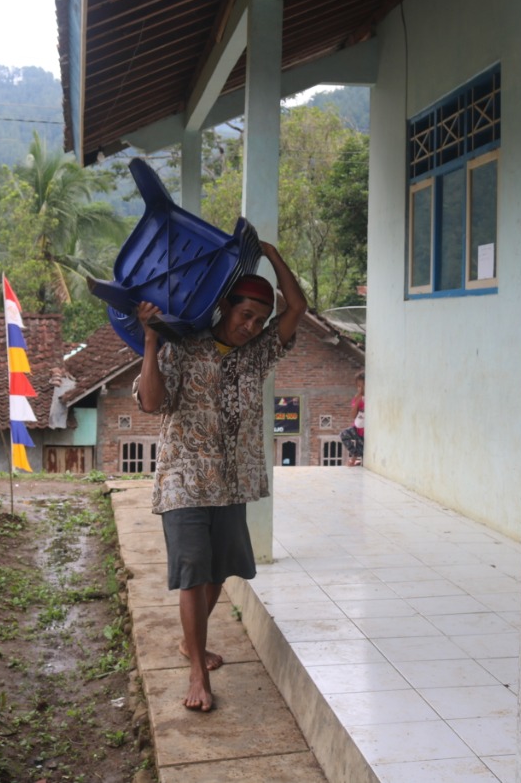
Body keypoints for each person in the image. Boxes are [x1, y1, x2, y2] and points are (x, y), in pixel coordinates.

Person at [134, 241, 307, 713]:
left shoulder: (259, 354)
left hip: (232, 482)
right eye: (245, 314)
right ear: (226, 306)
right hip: (184, 480)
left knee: (218, 570)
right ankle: (197, 672)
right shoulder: (183, 346)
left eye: (259, 320)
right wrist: (150, 341)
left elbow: (297, 307)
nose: (251, 326)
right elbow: (151, 402)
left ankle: (190, 642)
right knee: (193, 573)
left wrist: (272, 255)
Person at [340, 370, 365, 465]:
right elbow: (353, 415)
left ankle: (356, 460)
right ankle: (354, 454)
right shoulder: (358, 398)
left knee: (363, 450)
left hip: (366, 432)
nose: (360, 389)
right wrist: (358, 401)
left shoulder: (371, 398)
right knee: (344, 434)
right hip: (357, 429)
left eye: (362, 386)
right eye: (358, 386)